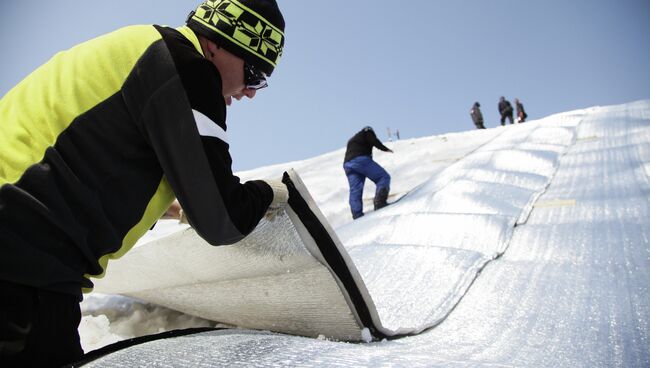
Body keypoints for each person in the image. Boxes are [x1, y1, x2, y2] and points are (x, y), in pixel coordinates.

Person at [0, 1, 288, 366]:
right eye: (254, 72)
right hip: (24, 259)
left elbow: (85, 157)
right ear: (215, 43)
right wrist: (270, 192)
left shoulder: (145, 50)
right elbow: (223, 219)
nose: (251, 91)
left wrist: (169, 209)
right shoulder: (190, 70)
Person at [343, 126, 394, 219]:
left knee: (355, 190)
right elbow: (373, 140)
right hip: (360, 159)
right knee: (383, 177)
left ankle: (357, 214)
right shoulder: (367, 131)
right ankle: (380, 202)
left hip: (348, 165)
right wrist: (385, 149)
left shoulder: (352, 139)